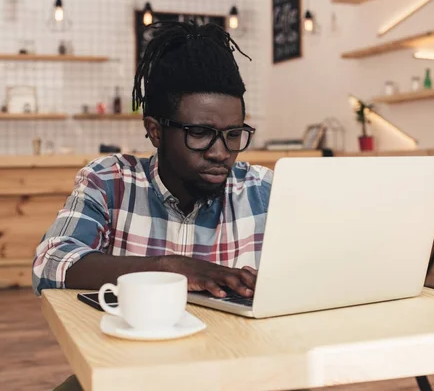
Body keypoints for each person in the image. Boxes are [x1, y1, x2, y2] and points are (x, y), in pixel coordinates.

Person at [33, 21, 273, 305]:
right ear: (156, 131)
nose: (220, 153)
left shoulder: (263, 190)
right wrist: (169, 268)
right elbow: (49, 263)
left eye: (233, 134)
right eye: (199, 133)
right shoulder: (111, 182)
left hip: (236, 349)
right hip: (128, 347)